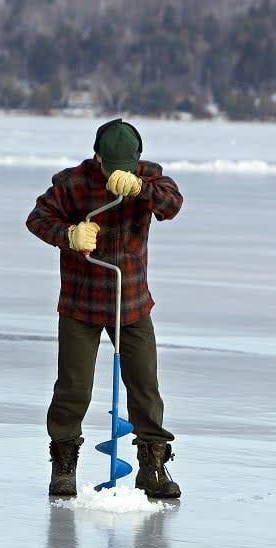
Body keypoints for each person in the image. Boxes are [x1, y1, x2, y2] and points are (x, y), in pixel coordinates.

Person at [25, 118, 183, 499]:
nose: (117, 173)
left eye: (126, 167)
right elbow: (37, 218)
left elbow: (172, 204)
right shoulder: (73, 183)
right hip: (81, 300)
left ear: (137, 160)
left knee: (145, 384)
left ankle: (153, 467)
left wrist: (141, 188)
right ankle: (63, 467)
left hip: (130, 301)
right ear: (97, 157)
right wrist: (69, 234)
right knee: (73, 387)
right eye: (112, 167)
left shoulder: (149, 177)